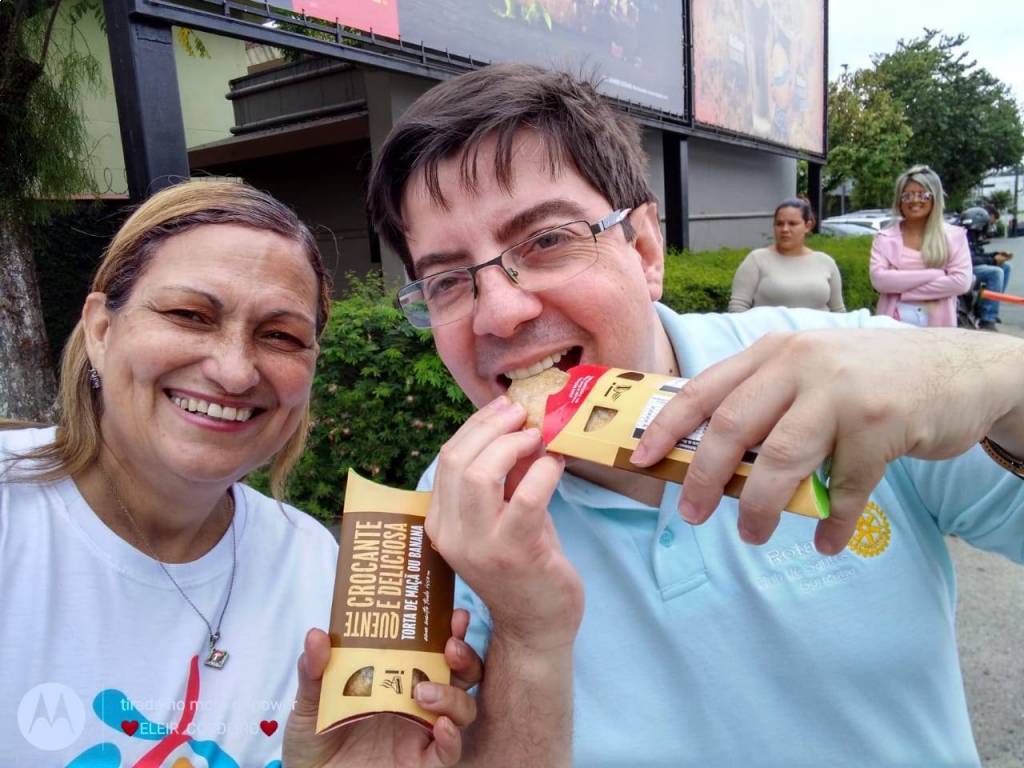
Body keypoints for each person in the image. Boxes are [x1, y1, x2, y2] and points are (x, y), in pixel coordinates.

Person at [366, 63, 1024, 766]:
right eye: (446, 281)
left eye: (547, 240)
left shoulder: (848, 374)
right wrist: (527, 639)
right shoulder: (427, 524)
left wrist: (1000, 378)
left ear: (645, 249)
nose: (498, 313)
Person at [0, 181, 479, 768]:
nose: (233, 372)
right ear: (101, 330)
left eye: (280, 336)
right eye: (189, 315)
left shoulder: (316, 569)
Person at [869, 165, 972, 327]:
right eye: (908, 195)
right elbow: (880, 281)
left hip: (939, 328)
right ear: (899, 200)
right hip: (890, 327)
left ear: (935, 198)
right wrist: (936, 274)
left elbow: (961, 282)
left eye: (923, 195)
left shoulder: (955, 236)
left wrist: (901, 289)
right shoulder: (884, 238)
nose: (915, 200)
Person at [728, 197, 845, 312]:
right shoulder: (757, 260)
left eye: (792, 224)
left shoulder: (825, 262)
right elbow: (737, 308)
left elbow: (839, 311)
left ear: (807, 226)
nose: (784, 229)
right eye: (779, 224)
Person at [964, 205, 1013, 331]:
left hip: (971, 267)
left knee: (1006, 267)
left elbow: (978, 254)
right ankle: (987, 318)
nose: (989, 226)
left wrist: (995, 255)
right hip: (964, 269)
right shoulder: (965, 235)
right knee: (996, 272)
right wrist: (993, 260)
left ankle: (990, 307)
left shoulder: (974, 235)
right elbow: (969, 259)